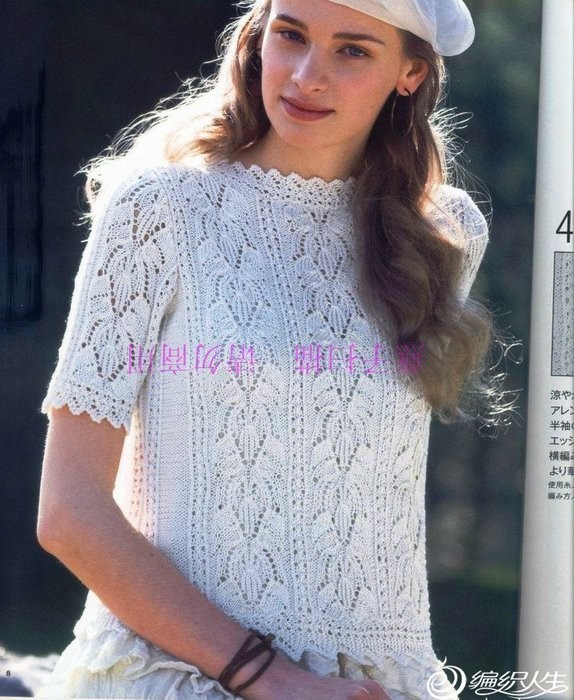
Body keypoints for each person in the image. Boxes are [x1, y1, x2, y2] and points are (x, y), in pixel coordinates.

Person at [37, 0, 498, 698]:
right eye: (290, 35)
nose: (307, 75)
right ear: (258, 37)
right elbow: (70, 513)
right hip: (173, 675)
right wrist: (269, 677)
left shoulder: (445, 234)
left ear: (410, 73)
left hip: (379, 680)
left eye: (353, 50)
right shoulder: (159, 208)